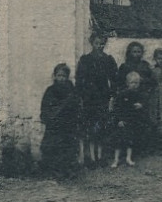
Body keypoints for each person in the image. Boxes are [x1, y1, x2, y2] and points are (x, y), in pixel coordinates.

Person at [75, 32, 118, 167]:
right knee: (89, 127)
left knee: (101, 127)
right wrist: (81, 96)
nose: (100, 46)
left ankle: (100, 157)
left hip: (102, 97)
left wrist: (112, 96)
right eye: (97, 43)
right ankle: (90, 157)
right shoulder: (85, 60)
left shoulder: (108, 59)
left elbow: (114, 79)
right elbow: (79, 80)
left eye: (102, 43)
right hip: (89, 97)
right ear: (92, 43)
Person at [39, 63, 81, 179]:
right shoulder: (50, 90)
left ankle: (68, 169)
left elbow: (76, 106)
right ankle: (55, 171)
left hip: (68, 125)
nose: (61, 78)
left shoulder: (71, 90)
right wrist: (49, 116)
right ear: (54, 76)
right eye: (59, 75)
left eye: (64, 76)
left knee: (69, 148)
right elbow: (45, 107)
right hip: (54, 126)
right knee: (54, 147)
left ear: (67, 77)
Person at [111, 71, 147, 167]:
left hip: (133, 120)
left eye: (136, 83)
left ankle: (128, 158)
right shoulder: (122, 94)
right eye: (132, 83)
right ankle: (116, 159)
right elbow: (117, 108)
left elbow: (143, 103)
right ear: (127, 83)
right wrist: (119, 120)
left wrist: (141, 105)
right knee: (119, 140)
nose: (134, 85)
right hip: (122, 120)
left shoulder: (138, 94)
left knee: (130, 139)